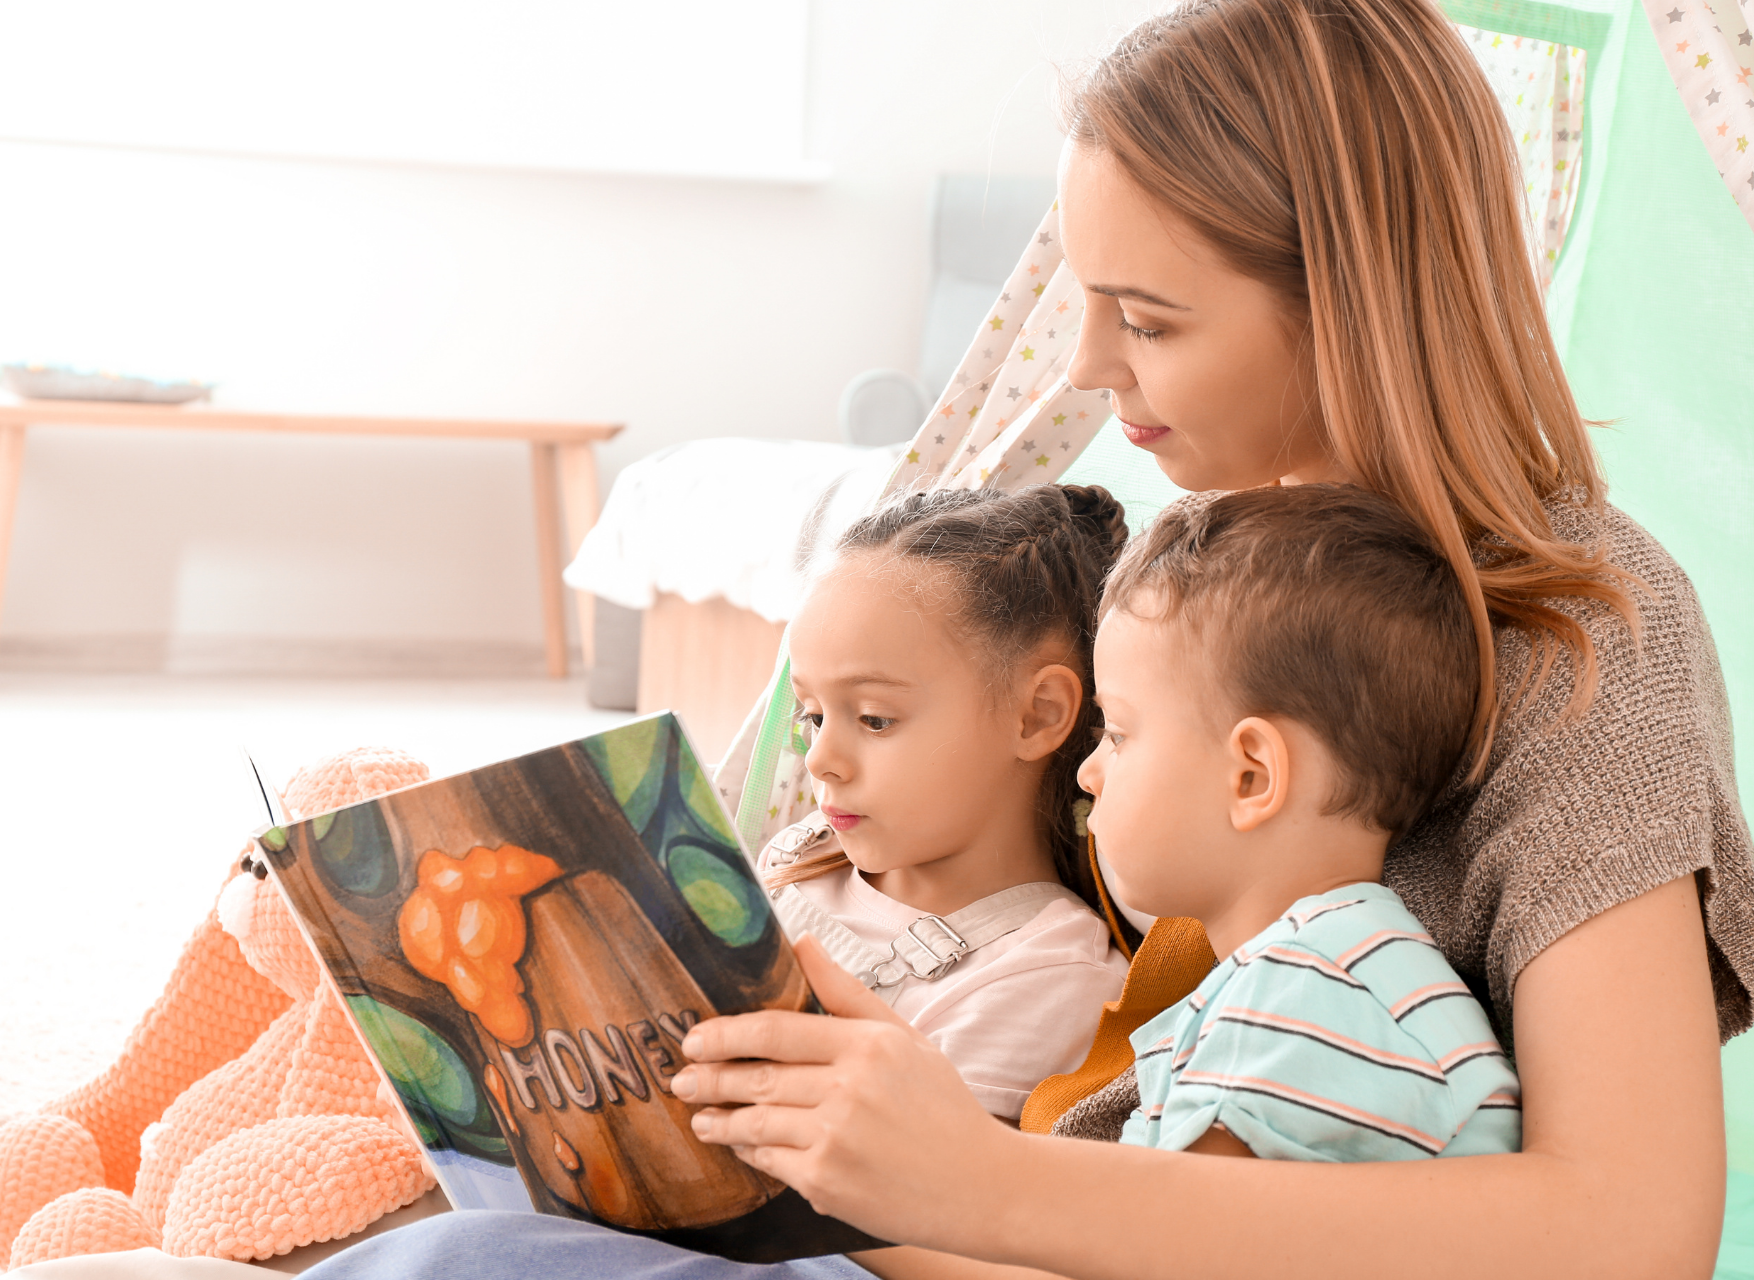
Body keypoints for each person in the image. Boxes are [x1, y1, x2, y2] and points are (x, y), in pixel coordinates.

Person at [304, 0, 1751, 1275]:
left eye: (1149, 318)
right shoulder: (1191, 568)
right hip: (1001, 1207)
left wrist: (982, 1181)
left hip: (1038, 1212)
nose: (1087, 367)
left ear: (1353, 303)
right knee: (480, 1218)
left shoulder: (1579, 624)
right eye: (1084, 302)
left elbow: (1630, 1231)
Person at [1086, 484, 1519, 1162]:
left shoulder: (1304, 999)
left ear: (1252, 776)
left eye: (1116, 734)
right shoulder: (1324, 974)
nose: (1088, 772)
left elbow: (1148, 1252)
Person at [758, 484, 1132, 1124]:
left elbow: (925, 1199)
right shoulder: (805, 852)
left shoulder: (1046, 979)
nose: (820, 759)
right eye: (813, 716)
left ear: (1037, 715)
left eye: (874, 719)